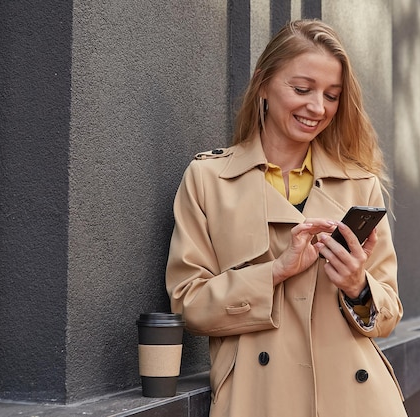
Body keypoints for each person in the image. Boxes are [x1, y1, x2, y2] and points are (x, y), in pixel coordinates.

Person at [166, 19, 407, 417]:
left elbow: (388, 311)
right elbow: (188, 305)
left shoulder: (359, 183)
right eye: (301, 89)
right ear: (263, 83)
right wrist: (275, 271)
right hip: (257, 400)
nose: (318, 107)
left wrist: (357, 287)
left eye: (332, 95)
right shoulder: (210, 179)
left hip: (357, 401)